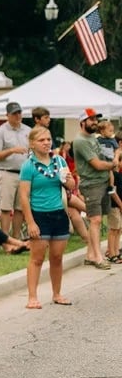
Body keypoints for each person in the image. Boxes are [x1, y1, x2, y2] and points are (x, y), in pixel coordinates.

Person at [19, 126, 74, 309]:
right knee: (37, 258)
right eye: (41, 140)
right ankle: (32, 297)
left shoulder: (59, 161)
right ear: (32, 143)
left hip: (58, 213)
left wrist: (68, 180)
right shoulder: (28, 166)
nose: (46, 143)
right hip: (39, 214)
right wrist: (30, 222)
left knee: (57, 257)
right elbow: (24, 196)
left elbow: (70, 184)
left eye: (48, 139)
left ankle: (57, 293)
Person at [73, 108, 115, 269]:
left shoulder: (93, 138)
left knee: (97, 220)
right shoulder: (81, 141)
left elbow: (102, 158)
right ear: (82, 122)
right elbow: (97, 164)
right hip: (91, 184)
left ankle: (91, 255)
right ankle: (98, 257)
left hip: (103, 182)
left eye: (96, 119)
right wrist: (113, 164)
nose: (95, 122)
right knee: (95, 220)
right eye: (91, 119)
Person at [0, 101, 30, 238]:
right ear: (7, 115)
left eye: (19, 112)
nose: (18, 115)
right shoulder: (0, 132)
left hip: (24, 173)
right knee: (6, 208)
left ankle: (16, 237)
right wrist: (12, 150)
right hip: (6, 172)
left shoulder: (27, 130)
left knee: (20, 207)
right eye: (14, 113)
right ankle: (5, 238)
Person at [96, 120, 122, 263]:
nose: (111, 131)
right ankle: (112, 253)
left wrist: (116, 156)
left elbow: (117, 151)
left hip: (117, 203)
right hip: (114, 204)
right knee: (113, 229)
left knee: (117, 229)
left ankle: (116, 251)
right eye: (109, 129)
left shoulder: (113, 142)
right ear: (101, 131)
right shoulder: (98, 141)